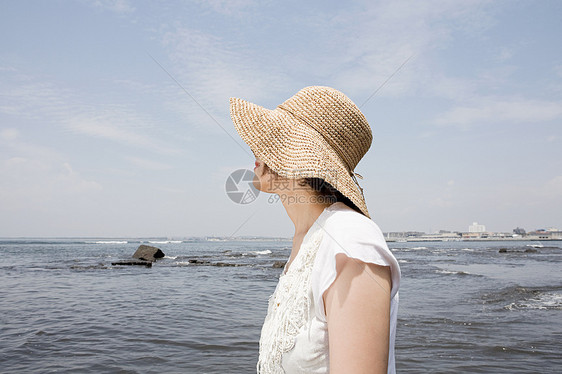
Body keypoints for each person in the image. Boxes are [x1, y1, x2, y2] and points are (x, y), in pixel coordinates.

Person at [230, 86, 400, 374]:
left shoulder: (351, 241)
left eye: (275, 139)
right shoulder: (307, 239)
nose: (255, 148)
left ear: (301, 158)